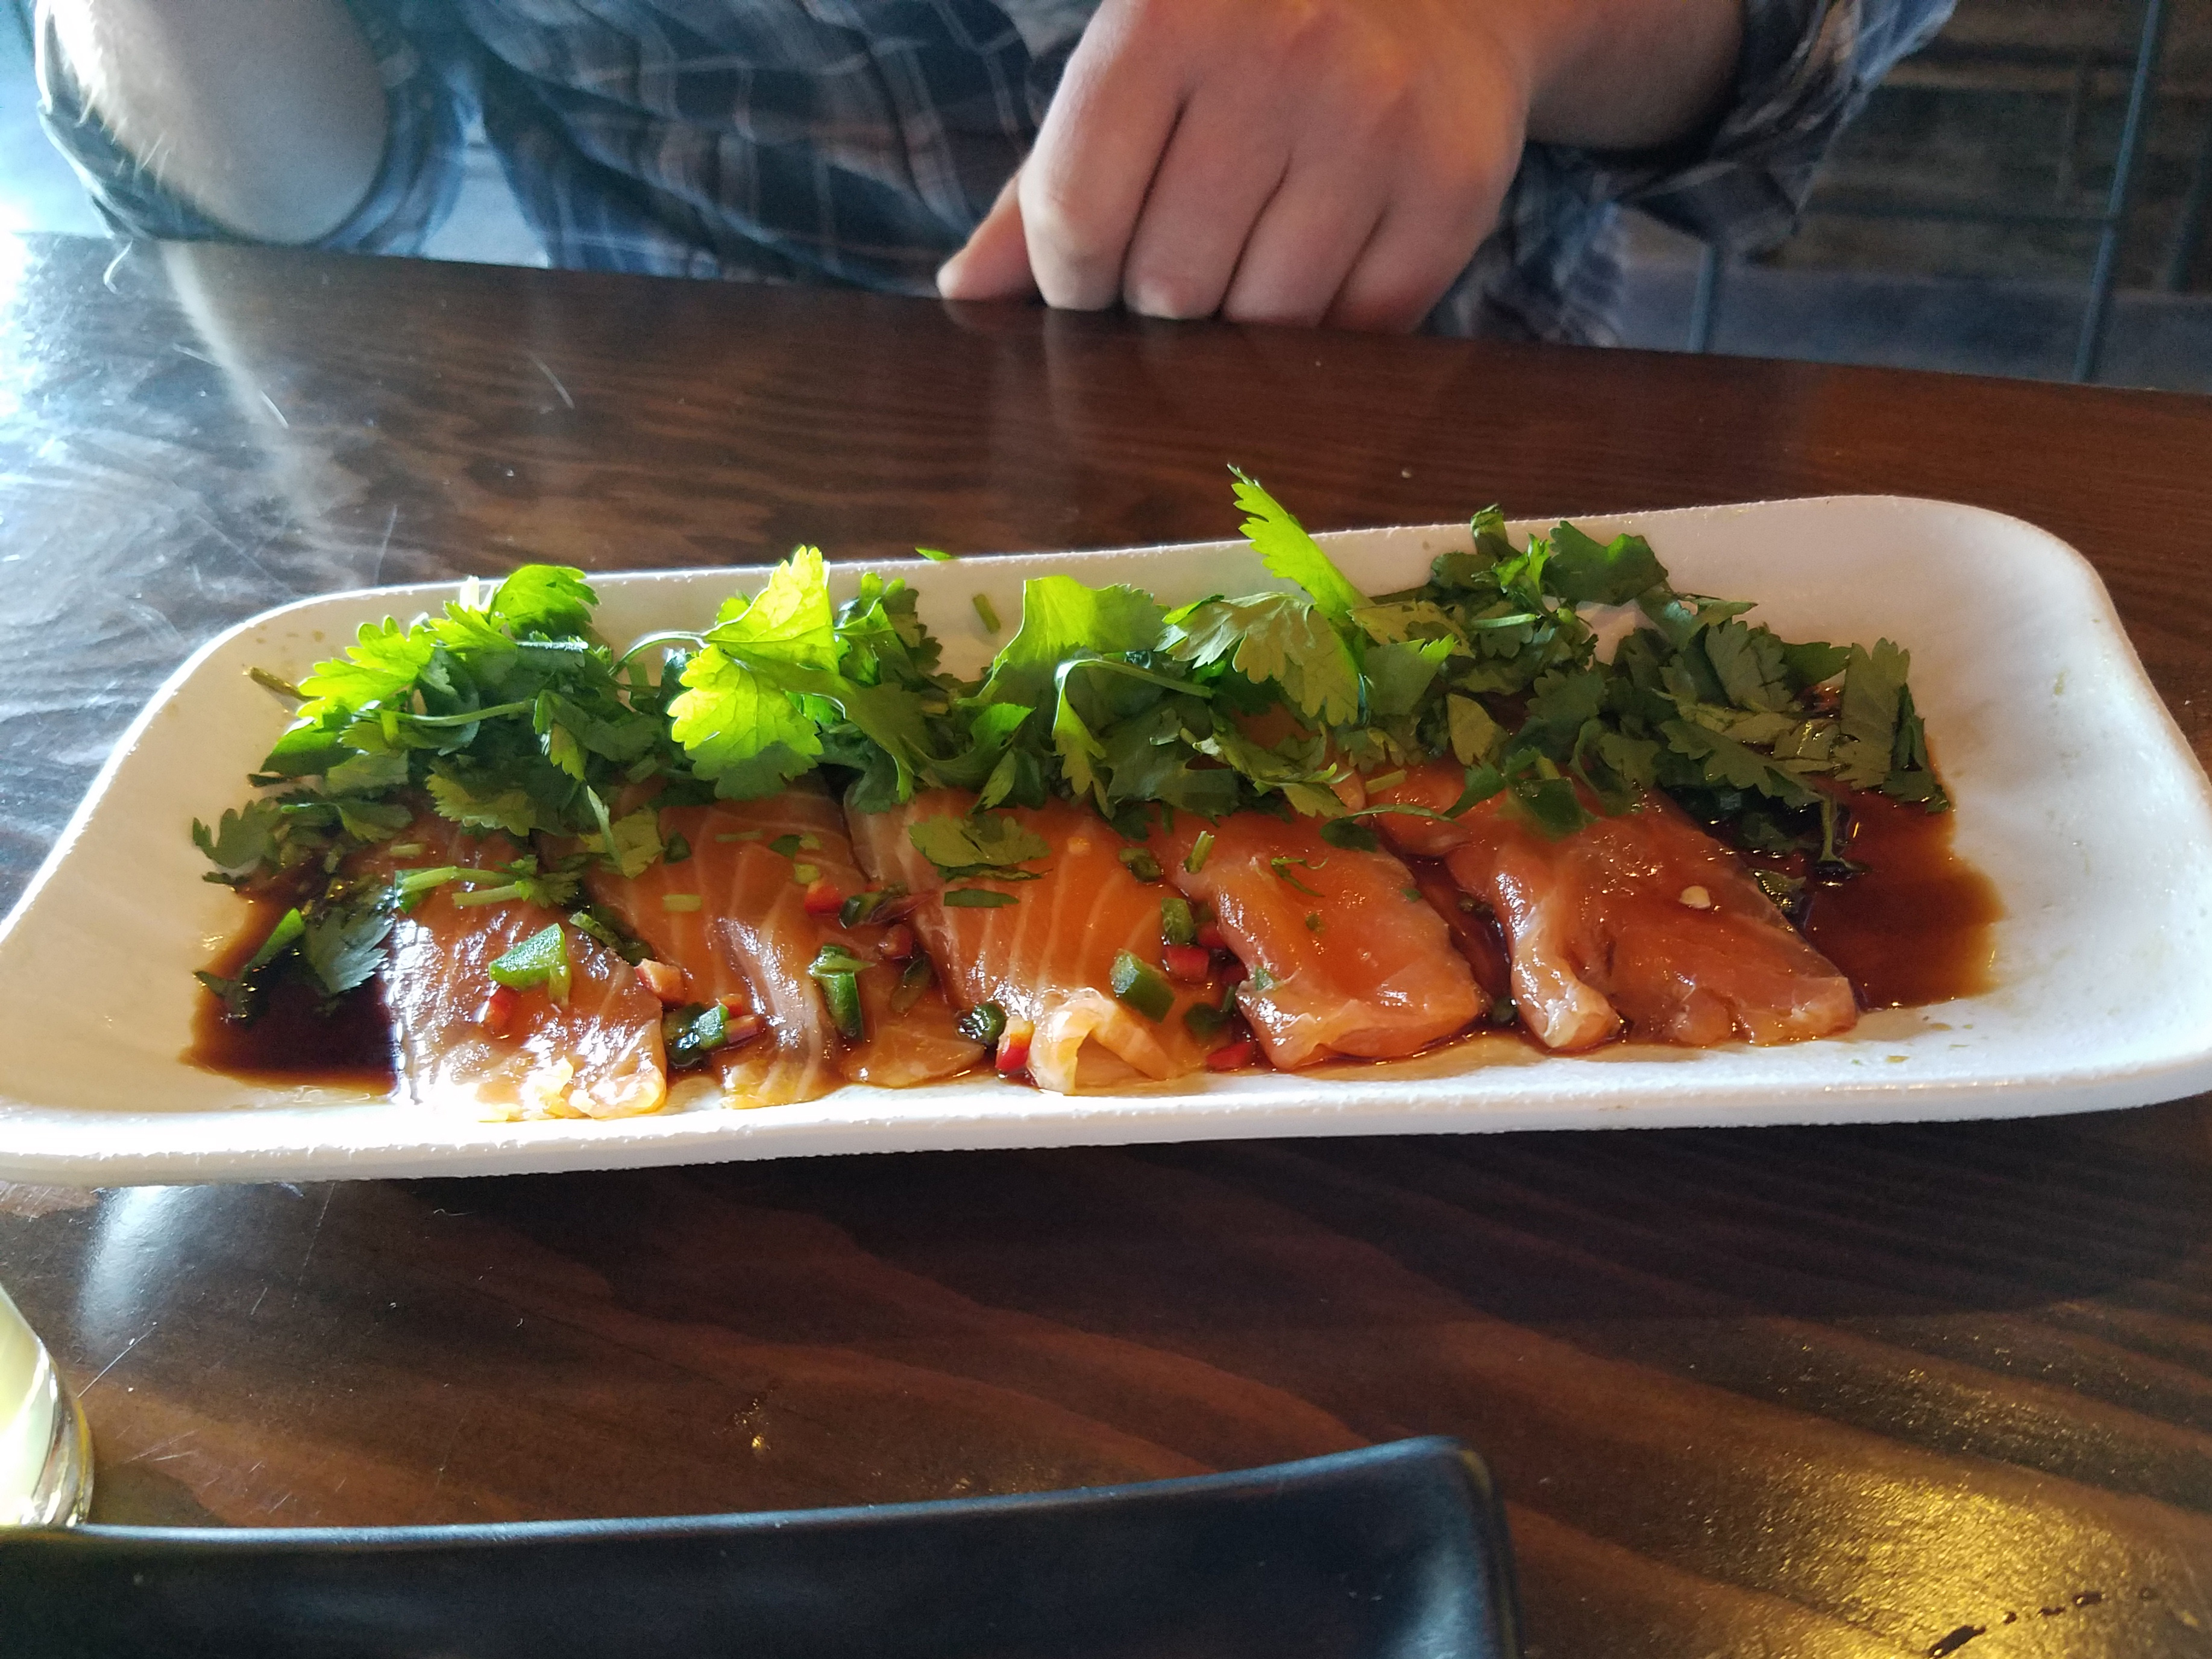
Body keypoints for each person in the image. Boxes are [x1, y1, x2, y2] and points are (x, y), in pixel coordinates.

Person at [35, 0, 1950, 341]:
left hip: (1425, 431)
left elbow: (1837, 40)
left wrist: (1497, 14)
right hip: (611, 469)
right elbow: (321, 204)